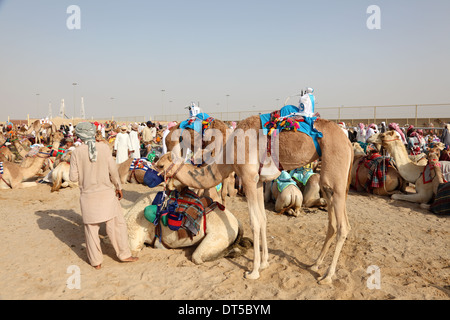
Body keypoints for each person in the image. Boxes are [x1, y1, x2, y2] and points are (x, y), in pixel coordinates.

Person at [69, 122, 138, 269]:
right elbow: (113, 171)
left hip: (88, 197)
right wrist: (118, 187)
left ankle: (96, 262)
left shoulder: (76, 152)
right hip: (106, 194)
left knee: (91, 231)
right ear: (94, 133)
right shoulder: (104, 148)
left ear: (79, 136)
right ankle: (124, 255)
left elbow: (73, 178)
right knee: (116, 225)